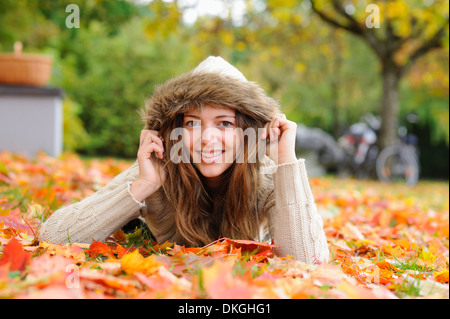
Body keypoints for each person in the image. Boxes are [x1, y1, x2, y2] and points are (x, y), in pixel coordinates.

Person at [39, 56, 329, 263]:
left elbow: (308, 260)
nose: (206, 138)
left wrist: (285, 161)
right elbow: (54, 236)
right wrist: (142, 185)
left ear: (246, 132)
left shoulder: (265, 176)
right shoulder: (159, 170)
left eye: (225, 124)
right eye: (192, 123)